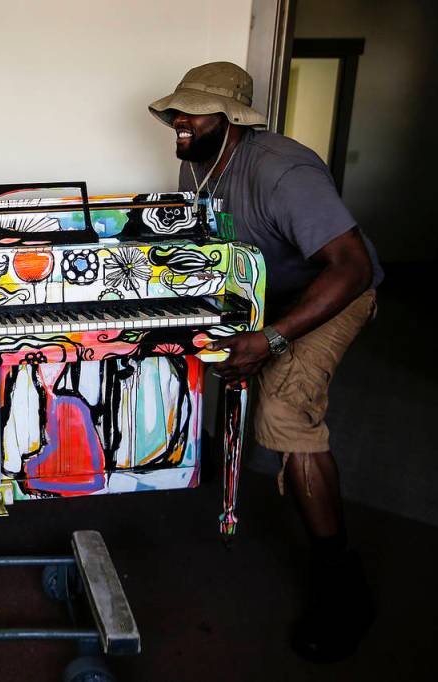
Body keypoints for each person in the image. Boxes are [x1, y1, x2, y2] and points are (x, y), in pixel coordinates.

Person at [147, 62, 384, 662]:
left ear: (231, 118)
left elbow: (351, 269)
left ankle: (340, 585)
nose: (181, 120)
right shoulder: (199, 159)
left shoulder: (283, 171)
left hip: (333, 295)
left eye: (194, 110)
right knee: (170, 351)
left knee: (283, 411)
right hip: (263, 293)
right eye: (178, 109)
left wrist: (271, 340)